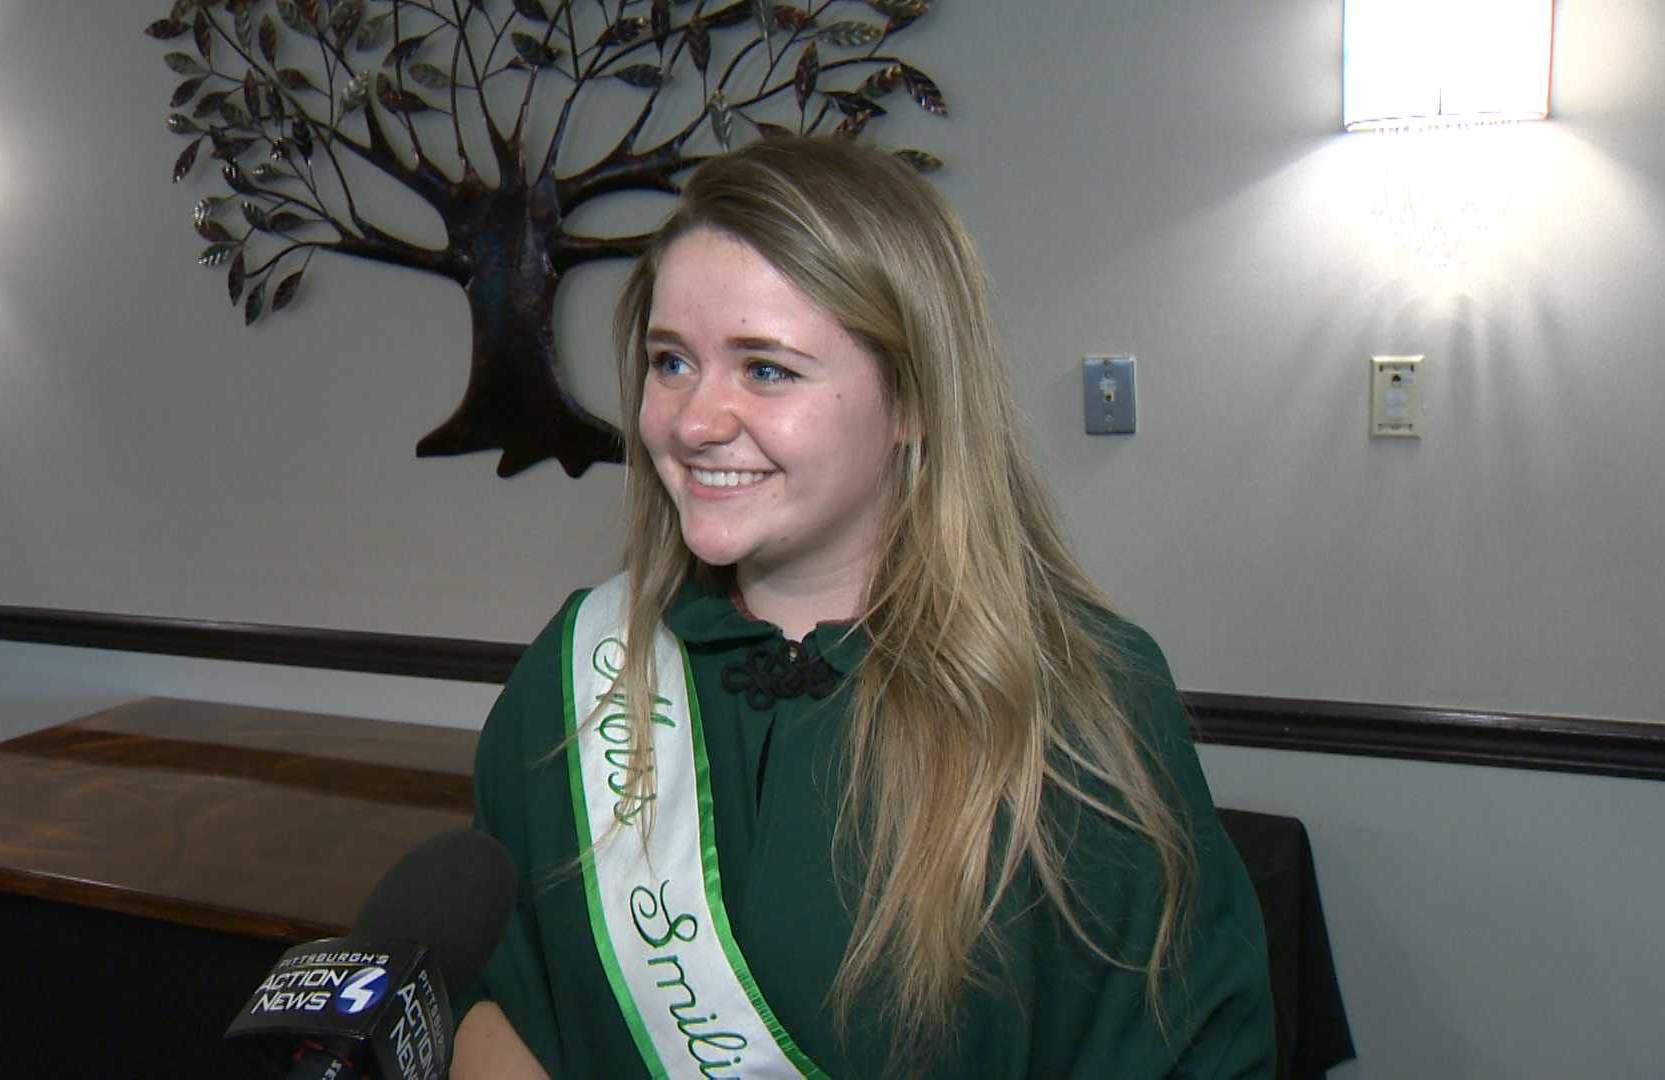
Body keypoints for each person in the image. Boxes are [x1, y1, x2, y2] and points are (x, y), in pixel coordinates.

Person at [454, 136, 1274, 1078]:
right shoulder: (577, 675)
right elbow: (498, 1002)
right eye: (671, 362)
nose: (692, 421)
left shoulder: (1076, 700)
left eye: (766, 369)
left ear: (914, 403)